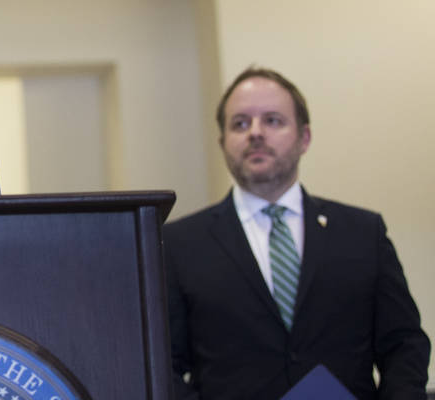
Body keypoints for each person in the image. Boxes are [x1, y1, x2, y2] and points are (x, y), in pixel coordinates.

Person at [163, 66, 429, 399]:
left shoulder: (363, 233)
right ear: (222, 142)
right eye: (240, 123)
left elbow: (404, 344)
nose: (255, 133)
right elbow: (164, 365)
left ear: (304, 138)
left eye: (272, 120)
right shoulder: (180, 244)